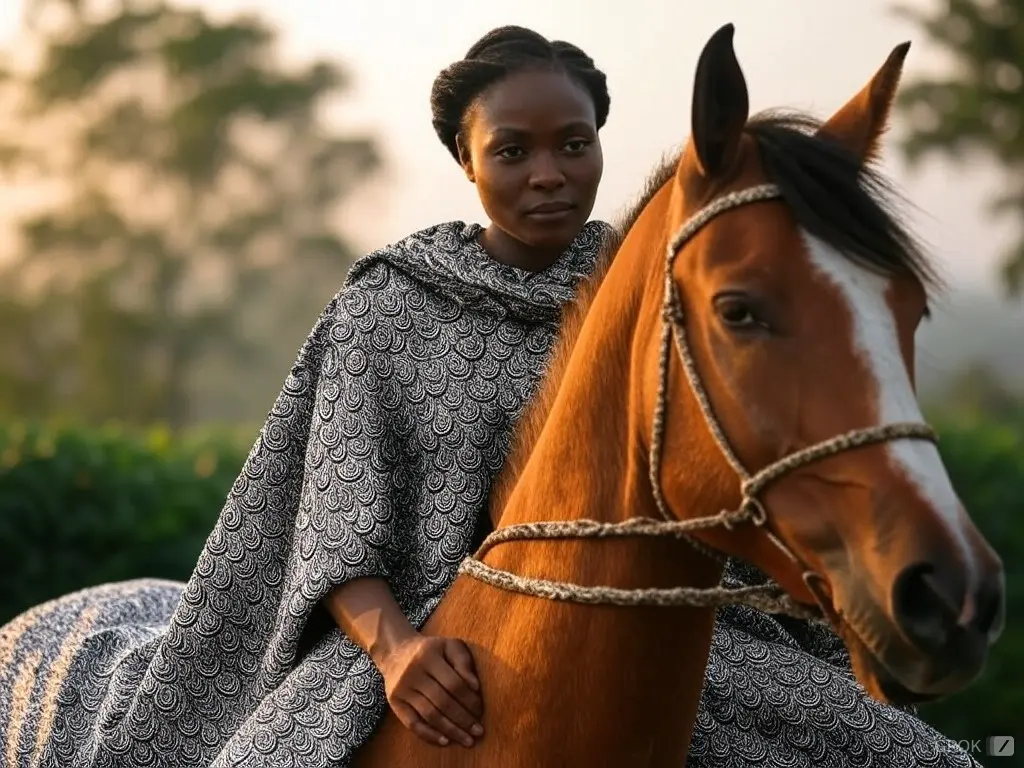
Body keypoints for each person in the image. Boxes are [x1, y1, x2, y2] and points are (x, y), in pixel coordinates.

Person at [0, 25, 980, 768]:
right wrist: (394, 654)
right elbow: (335, 514)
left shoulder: (654, 293)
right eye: (512, 150)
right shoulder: (391, 306)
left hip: (683, 631)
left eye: (573, 143)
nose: (549, 174)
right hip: (420, 645)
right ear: (465, 160)